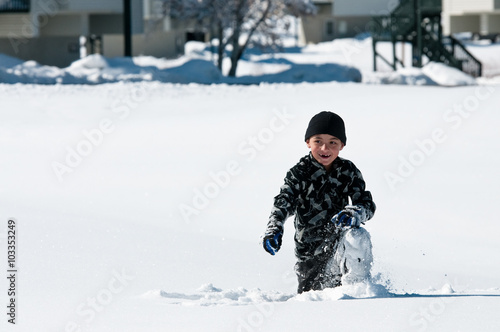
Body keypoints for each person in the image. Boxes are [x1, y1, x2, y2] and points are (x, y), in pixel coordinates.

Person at [262, 111, 376, 294]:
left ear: (342, 145)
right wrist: (274, 228)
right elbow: (284, 201)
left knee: (358, 235)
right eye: (318, 141)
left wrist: (353, 213)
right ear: (308, 142)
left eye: (333, 142)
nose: (325, 148)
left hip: (340, 251)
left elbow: (366, 203)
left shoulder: (347, 171)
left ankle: (358, 292)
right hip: (310, 259)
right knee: (314, 304)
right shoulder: (299, 173)